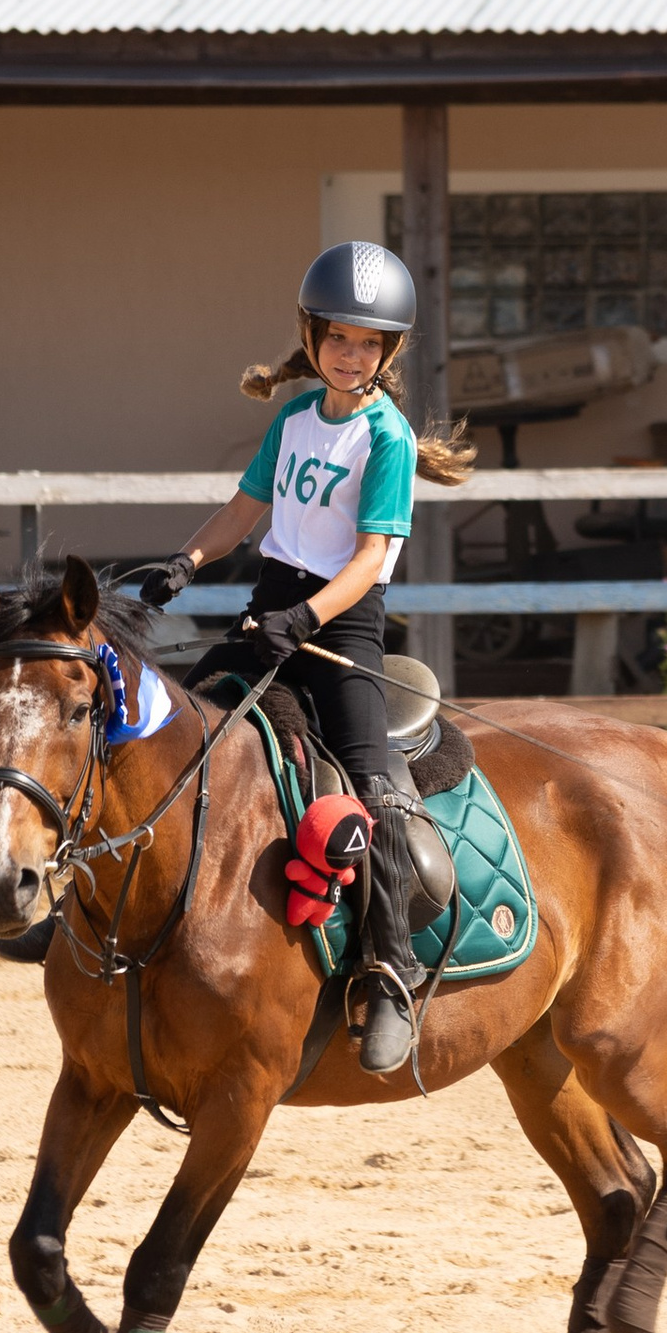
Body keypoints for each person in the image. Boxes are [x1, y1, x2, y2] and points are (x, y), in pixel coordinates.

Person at [146, 242, 472, 1073]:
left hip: (341, 628)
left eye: (368, 343)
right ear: (312, 337)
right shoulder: (292, 422)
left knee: (377, 789)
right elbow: (244, 509)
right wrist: (185, 564)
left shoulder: (386, 436)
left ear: (387, 353)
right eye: (337, 338)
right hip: (271, 614)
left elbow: (369, 559)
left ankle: (391, 972)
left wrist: (305, 617)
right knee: (167, 745)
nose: (350, 353)